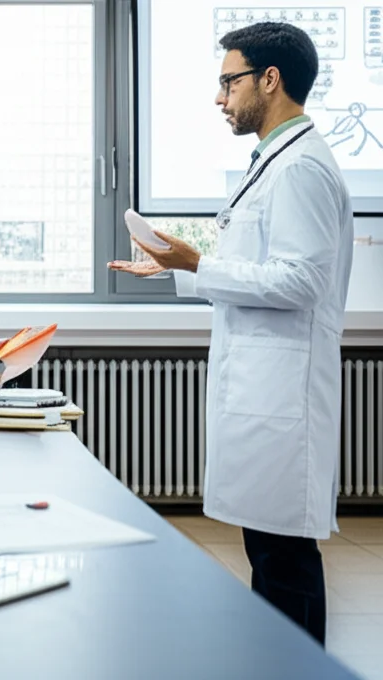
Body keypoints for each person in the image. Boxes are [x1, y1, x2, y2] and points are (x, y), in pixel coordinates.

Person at [109, 22, 353, 644]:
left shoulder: (300, 168)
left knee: (284, 563)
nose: (220, 99)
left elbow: (299, 283)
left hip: (282, 399)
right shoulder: (278, 159)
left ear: (270, 80)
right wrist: (183, 269)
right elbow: (262, 270)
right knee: (269, 557)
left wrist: (198, 264)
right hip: (262, 392)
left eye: (228, 82)